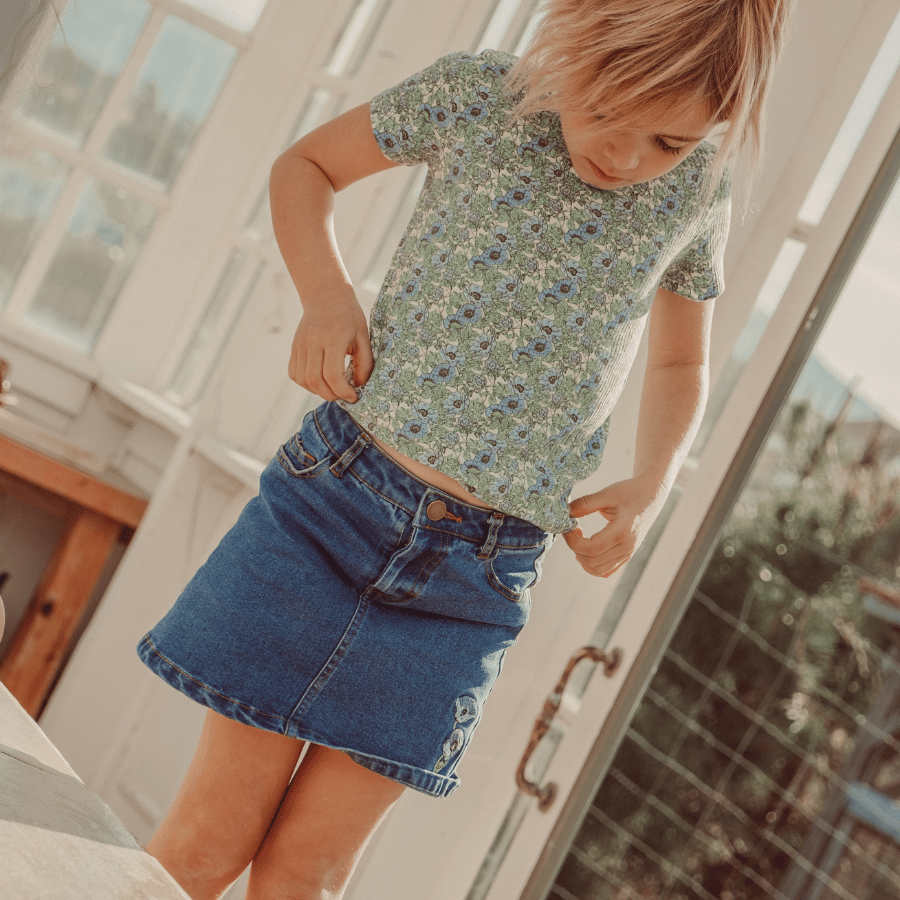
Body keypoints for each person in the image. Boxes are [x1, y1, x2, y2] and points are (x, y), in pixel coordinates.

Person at [137, 1, 793, 897]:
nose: (629, 155)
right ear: (574, 41)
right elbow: (307, 166)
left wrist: (653, 479)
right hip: (328, 510)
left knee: (304, 875)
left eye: (670, 141)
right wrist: (328, 296)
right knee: (208, 844)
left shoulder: (698, 193)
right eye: (608, 110)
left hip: (473, 584)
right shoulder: (480, 94)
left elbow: (682, 359)